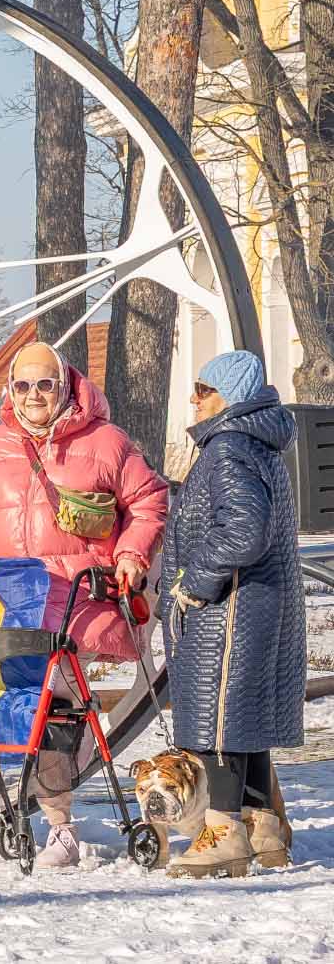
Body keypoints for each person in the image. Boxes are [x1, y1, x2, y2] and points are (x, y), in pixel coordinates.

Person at [0, 340, 167, 868]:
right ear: (10, 391)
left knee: (58, 709)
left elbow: (149, 500)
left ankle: (60, 826)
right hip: (11, 603)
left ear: (66, 385)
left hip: (79, 604)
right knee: (13, 709)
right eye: (22, 385)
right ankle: (32, 810)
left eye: (44, 385)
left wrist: (133, 553)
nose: (33, 396)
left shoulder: (107, 443)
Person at [162, 350, 305, 878]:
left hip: (230, 608)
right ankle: (261, 821)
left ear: (230, 398)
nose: (194, 399)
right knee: (244, 717)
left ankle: (223, 833)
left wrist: (193, 585)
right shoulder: (258, 445)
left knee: (216, 719)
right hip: (259, 606)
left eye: (203, 390)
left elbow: (243, 529)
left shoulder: (227, 448)